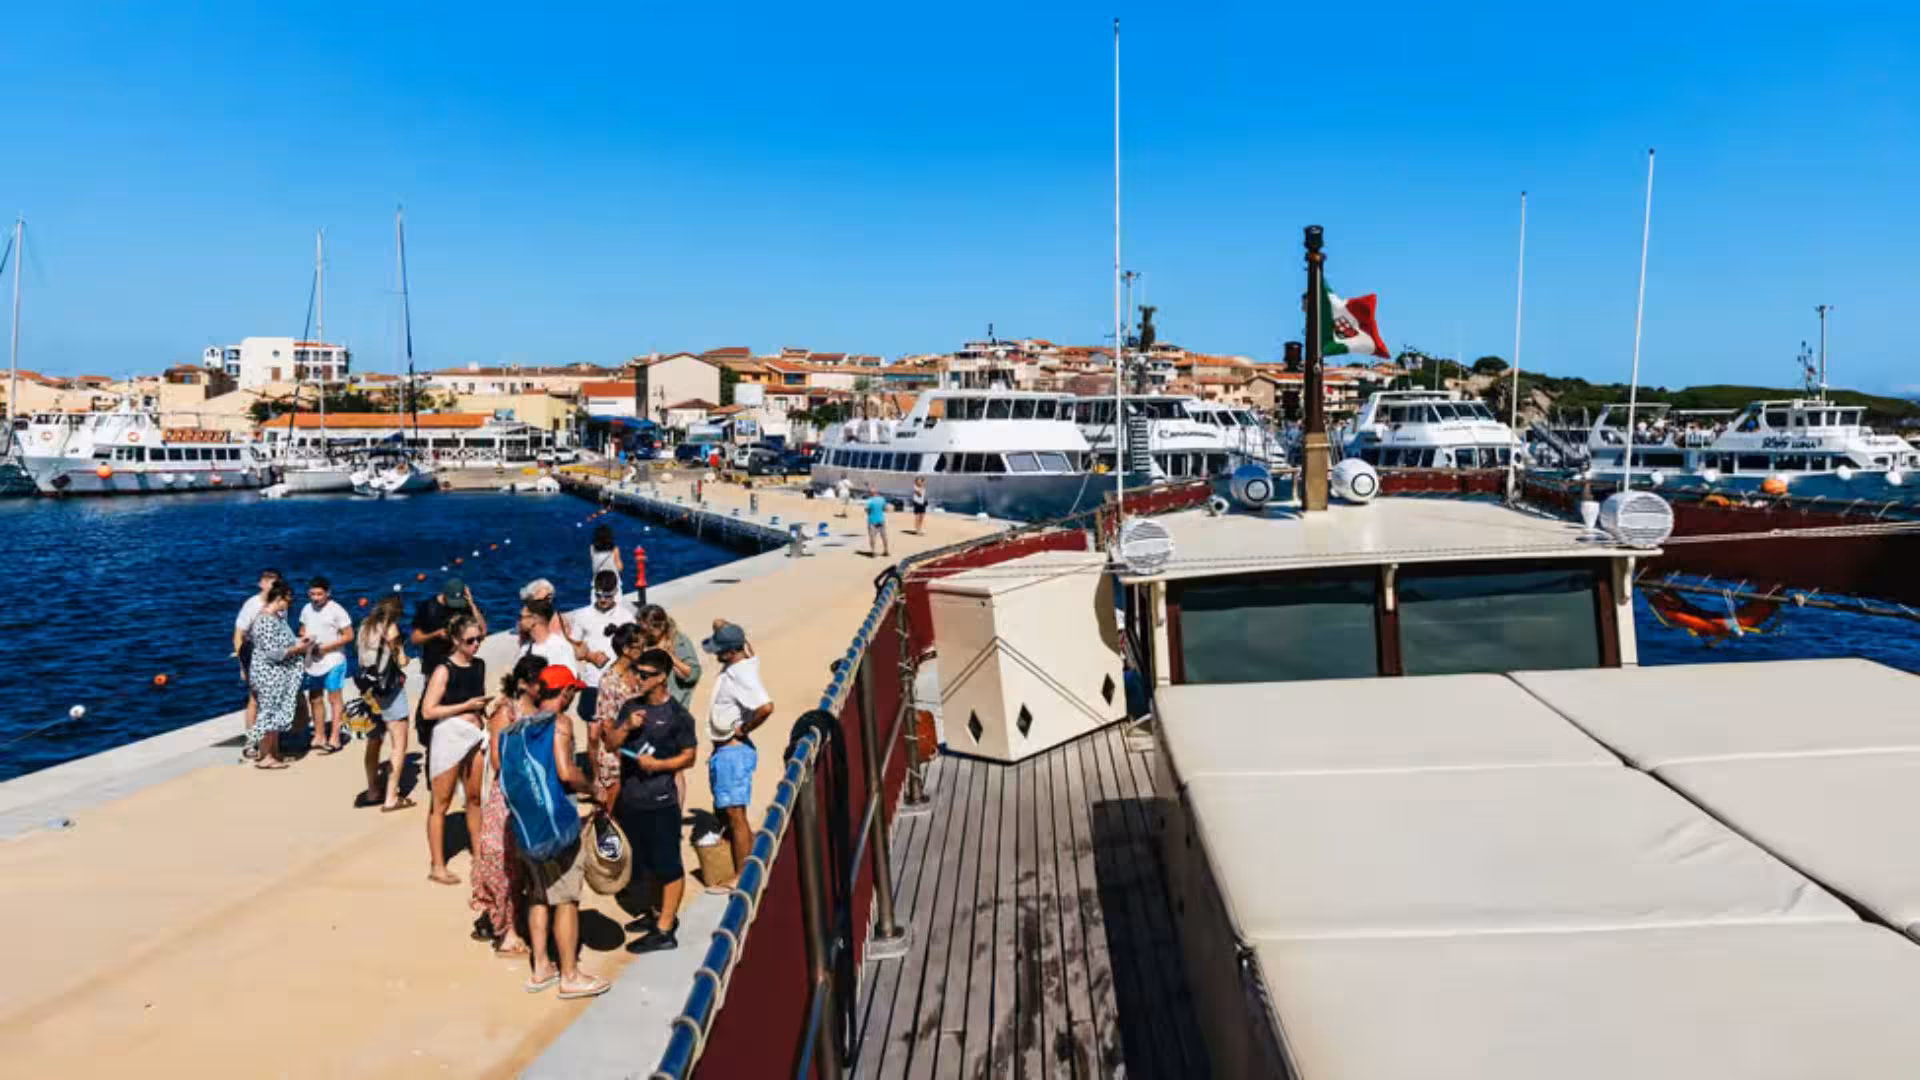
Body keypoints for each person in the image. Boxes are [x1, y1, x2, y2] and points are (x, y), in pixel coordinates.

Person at [516, 666, 610, 999]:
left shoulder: (517, 726)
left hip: (526, 827)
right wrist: (592, 789)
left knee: (539, 895)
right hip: (558, 827)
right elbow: (566, 773)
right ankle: (570, 975)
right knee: (567, 899)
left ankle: (541, 966)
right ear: (565, 691)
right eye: (573, 690)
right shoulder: (561, 724)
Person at [607, 647, 698, 952]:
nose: (637, 678)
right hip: (632, 801)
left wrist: (658, 766)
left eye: (644, 675)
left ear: (662, 678)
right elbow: (610, 744)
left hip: (661, 803)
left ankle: (664, 929)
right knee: (644, 864)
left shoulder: (678, 716)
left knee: (668, 865)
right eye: (636, 672)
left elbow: (690, 756)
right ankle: (656, 912)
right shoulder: (631, 708)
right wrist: (625, 728)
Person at [472, 655, 541, 958]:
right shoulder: (506, 710)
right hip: (509, 793)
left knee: (526, 862)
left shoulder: (541, 710)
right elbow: (499, 759)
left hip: (533, 792)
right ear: (525, 683)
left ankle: (516, 920)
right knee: (503, 860)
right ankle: (505, 929)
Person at [420, 614, 493, 885]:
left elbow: (476, 699)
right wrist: (466, 706)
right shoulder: (444, 669)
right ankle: (437, 864)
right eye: (470, 641)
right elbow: (429, 710)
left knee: (475, 797)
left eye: (479, 639)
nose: (476, 645)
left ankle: (478, 853)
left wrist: (483, 710)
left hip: (474, 734)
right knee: (441, 802)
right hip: (449, 736)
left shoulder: (480, 665)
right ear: (456, 641)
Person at [704, 621, 772, 889]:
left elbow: (766, 707)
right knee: (732, 813)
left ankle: (743, 875)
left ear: (731, 653)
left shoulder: (741, 676)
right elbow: (721, 623)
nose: (715, 655)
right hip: (728, 751)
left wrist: (745, 728)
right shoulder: (746, 660)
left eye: (719, 650)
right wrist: (724, 626)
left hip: (732, 751)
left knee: (736, 815)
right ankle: (752, 863)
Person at [355, 595, 415, 811]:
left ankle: (372, 790)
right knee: (399, 744)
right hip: (389, 691)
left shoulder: (364, 626)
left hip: (369, 690)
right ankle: (391, 798)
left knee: (374, 740)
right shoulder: (391, 630)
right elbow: (402, 660)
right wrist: (403, 655)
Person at [638, 604, 701, 804]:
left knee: (674, 769)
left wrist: (669, 656)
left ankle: (675, 814)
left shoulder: (679, 642)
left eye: (645, 629)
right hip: (647, 713)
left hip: (674, 715)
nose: (642, 633)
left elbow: (692, 674)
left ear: (657, 627)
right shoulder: (642, 643)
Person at [245, 580, 307, 769]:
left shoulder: (276, 618)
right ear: (279, 599)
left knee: (274, 712)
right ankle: (264, 754)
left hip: (277, 674)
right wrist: (298, 648)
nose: (289, 604)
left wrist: (299, 641)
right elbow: (273, 652)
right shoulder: (265, 620)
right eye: (287, 600)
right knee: (268, 713)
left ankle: (272, 752)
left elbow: (282, 642)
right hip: (268, 674)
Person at [412, 577, 482, 743]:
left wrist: (472, 604)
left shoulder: (464, 605)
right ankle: (428, 738)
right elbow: (415, 638)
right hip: (434, 663)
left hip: (459, 664)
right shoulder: (428, 607)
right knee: (432, 705)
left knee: (457, 706)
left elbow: (482, 630)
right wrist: (435, 634)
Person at [590, 624, 649, 815]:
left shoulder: (637, 673)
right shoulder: (609, 681)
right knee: (612, 812)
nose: (644, 650)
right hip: (617, 753)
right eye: (640, 647)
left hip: (638, 747)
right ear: (626, 650)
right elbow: (607, 726)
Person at [566, 570, 636, 726]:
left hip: (618, 682)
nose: (603, 600)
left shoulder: (627, 616)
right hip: (592, 682)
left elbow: (636, 650)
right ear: (593, 591)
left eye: (608, 596)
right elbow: (573, 648)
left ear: (616, 592)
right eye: (599, 595)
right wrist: (590, 656)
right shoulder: (582, 615)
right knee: (593, 735)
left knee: (618, 729)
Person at [299, 577, 355, 754]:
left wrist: (325, 648)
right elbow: (302, 629)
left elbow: (349, 635)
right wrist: (306, 641)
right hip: (313, 660)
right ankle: (319, 735)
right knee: (314, 697)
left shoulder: (337, 610)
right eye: (312, 594)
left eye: (319, 594)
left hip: (334, 659)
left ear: (327, 593)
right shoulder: (306, 609)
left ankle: (335, 737)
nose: (315, 598)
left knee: (334, 697)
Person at [231, 568, 282, 754]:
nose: (270, 585)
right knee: (254, 698)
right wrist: (243, 665)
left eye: (274, 581)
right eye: (267, 581)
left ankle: (270, 740)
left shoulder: (280, 604)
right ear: (261, 583)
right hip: (253, 654)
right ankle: (251, 741)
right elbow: (238, 635)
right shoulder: (251, 604)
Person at [589, 523, 623, 595]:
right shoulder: (615, 549)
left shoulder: (592, 548)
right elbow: (619, 568)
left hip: (598, 582)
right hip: (613, 582)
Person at [864, 485, 890, 558]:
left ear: (870, 493)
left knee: (872, 537)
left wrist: (870, 512)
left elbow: (866, 510)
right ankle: (886, 550)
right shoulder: (882, 499)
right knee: (884, 536)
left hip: (872, 520)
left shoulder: (869, 500)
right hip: (881, 520)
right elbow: (886, 509)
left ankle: (873, 552)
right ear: (877, 492)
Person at [631, 544, 648, 608]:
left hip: (641, 578)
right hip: (641, 577)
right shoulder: (642, 558)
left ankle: (642, 602)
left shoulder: (639, 558)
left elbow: (638, 559)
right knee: (641, 589)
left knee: (641, 589)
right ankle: (642, 601)